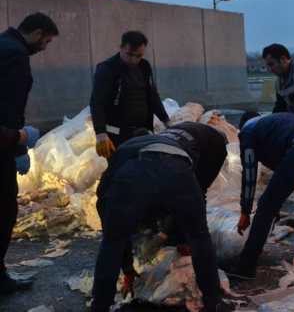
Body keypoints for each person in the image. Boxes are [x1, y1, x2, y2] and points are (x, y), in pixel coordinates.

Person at [91, 122, 231, 312]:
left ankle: (99, 306)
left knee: (112, 242)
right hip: (176, 170)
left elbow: (104, 204)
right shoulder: (205, 143)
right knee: (199, 237)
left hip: (136, 173)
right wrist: (188, 232)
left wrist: (126, 266)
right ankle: (213, 302)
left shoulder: (125, 150)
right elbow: (198, 191)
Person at [226, 112, 294, 280]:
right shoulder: (274, 124)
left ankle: (246, 266)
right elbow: (281, 166)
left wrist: (245, 211)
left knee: (265, 206)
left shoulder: (248, 132)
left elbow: (249, 173)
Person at [0, 12, 58, 295]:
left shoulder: (2, 45)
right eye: (45, 41)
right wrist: (19, 143)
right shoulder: (15, 56)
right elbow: (9, 108)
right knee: (4, 211)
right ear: (36, 33)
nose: (44, 47)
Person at [90, 30, 169, 160]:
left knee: (144, 166)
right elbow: (96, 102)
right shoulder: (107, 69)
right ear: (121, 48)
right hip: (117, 133)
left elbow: (152, 95)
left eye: (138, 56)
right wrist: (100, 133)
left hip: (143, 131)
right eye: (129, 54)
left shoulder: (144, 66)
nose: (133, 60)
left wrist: (166, 120)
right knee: (121, 168)